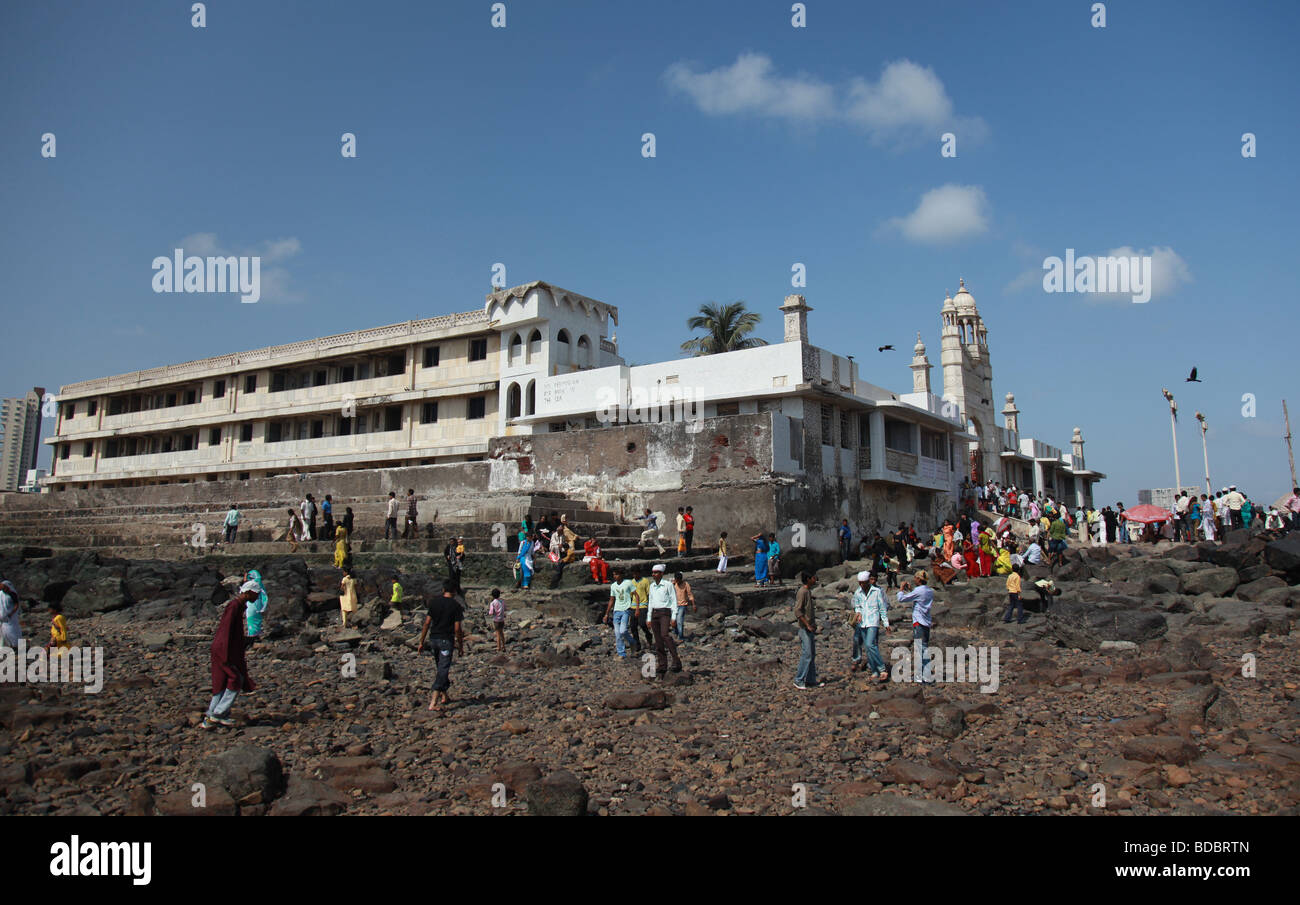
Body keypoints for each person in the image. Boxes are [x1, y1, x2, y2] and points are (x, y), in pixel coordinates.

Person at [203, 582, 261, 730]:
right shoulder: (234, 606)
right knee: (236, 679)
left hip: (224, 647)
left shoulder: (238, 605)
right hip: (224, 648)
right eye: (256, 593)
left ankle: (212, 715)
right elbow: (226, 629)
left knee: (222, 681)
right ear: (248, 593)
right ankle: (218, 713)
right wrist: (227, 650)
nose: (258, 596)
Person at [417, 582, 465, 712]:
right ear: (454, 591)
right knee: (443, 669)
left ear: (443, 589)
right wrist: (460, 645)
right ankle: (433, 702)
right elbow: (457, 628)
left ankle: (445, 696)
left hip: (433, 639)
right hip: (446, 640)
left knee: (440, 666)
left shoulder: (434, 602)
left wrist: (421, 641)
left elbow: (427, 623)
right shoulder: (456, 606)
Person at [896, 571, 934, 684]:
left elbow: (901, 599)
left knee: (920, 649)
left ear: (918, 579)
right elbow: (917, 595)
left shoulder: (919, 591)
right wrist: (911, 589)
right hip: (926, 622)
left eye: (915, 578)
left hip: (919, 622)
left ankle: (923, 676)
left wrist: (901, 589)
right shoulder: (929, 591)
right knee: (924, 648)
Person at [851, 571, 889, 679]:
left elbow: (882, 608)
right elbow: (857, 605)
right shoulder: (858, 593)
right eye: (860, 583)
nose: (862, 585)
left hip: (873, 621)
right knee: (868, 647)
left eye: (864, 583)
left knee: (870, 644)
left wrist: (886, 623)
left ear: (868, 582)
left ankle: (882, 668)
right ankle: (874, 670)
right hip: (862, 622)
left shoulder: (877, 591)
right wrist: (858, 612)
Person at [646, 564, 682, 675]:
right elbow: (650, 602)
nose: (654, 574)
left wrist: (674, 616)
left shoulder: (667, 585)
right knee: (658, 639)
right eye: (653, 572)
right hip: (655, 613)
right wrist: (648, 617)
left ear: (661, 573)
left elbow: (673, 600)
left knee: (664, 635)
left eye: (656, 572)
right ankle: (662, 664)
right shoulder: (652, 586)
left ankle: (676, 660)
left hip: (665, 612)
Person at [793, 572, 822, 689]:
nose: (815, 579)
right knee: (807, 654)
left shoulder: (807, 591)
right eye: (814, 577)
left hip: (809, 627)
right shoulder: (803, 592)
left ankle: (811, 680)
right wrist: (807, 625)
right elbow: (798, 611)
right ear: (808, 579)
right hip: (804, 628)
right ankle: (799, 679)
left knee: (811, 654)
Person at [604, 567, 636, 658]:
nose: (615, 576)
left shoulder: (628, 583)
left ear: (621, 575)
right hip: (616, 610)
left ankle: (632, 642)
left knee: (623, 630)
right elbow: (611, 600)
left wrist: (636, 608)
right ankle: (621, 653)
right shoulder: (613, 586)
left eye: (616, 574)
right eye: (614, 574)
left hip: (626, 609)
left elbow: (635, 595)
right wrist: (606, 613)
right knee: (617, 634)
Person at [630, 566, 654, 651]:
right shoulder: (631, 582)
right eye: (633, 574)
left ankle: (648, 635)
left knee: (642, 623)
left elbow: (649, 594)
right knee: (633, 626)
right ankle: (637, 644)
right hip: (633, 606)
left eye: (636, 573)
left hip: (643, 606)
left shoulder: (645, 581)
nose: (634, 575)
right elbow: (630, 595)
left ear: (639, 573)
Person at [244, 569, 269, 640]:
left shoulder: (252, 584)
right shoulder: (258, 583)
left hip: (252, 606)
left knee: (251, 621)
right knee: (256, 621)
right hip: (257, 605)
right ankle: (256, 636)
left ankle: (253, 637)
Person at [672, 570, 694, 641]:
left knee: (679, 620)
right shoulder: (673, 584)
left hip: (682, 605)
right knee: (673, 620)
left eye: (678, 580)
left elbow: (690, 595)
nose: (677, 581)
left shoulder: (686, 584)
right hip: (674, 605)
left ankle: (680, 636)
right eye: (676, 580)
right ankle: (676, 632)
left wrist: (693, 604)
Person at [0, 579, 21, 649]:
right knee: (4, 632)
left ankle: (15, 645)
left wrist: (11, 613)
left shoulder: (12, 594)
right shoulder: (1, 594)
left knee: (11, 631)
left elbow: (16, 605)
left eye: (4, 587)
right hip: (2, 617)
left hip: (11, 617)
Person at [488, 588, 506, 652]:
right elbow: (504, 608)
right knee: (502, 633)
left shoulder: (492, 603)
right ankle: (504, 646)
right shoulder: (502, 601)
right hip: (502, 619)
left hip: (496, 620)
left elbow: (491, 612)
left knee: (497, 634)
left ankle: (499, 647)